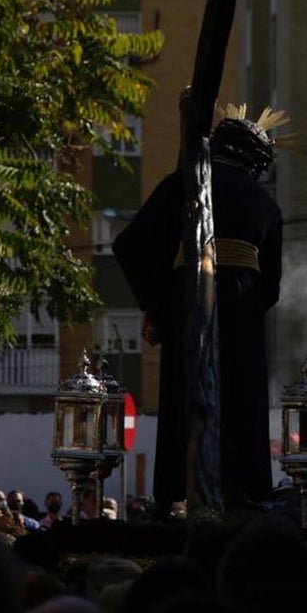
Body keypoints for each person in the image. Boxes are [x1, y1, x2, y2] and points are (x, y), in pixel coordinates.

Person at [113, 104, 285, 511]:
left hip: (188, 297)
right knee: (240, 396)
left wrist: (159, 299)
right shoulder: (266, 204)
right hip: (243, 310)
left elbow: (130, 245)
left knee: (186, 390)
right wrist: (244, 305)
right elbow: (271, 286)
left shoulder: (182, 184)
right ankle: (241, 485)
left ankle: (178, 486)